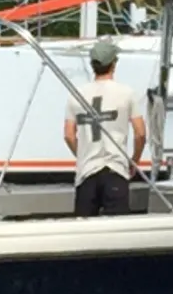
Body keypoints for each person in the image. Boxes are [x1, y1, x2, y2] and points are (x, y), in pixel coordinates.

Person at [62, 36, 145, 217]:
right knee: (117, 231)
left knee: (83, 230)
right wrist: (134, 160)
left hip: (86, 172)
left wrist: (82, 154)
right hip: (116, 169)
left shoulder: (76, 95)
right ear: (114, 64)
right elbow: (140, 134)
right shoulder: (127, 93)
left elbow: (69, 135)